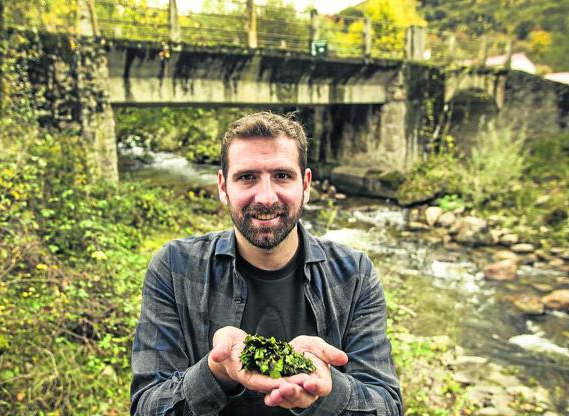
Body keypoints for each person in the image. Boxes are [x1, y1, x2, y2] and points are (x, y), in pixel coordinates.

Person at [130, 112, 402, 416]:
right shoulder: (174, 267)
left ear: (306, 185)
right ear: (223, 187)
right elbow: (147, 406)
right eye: (247, 177)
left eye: (282, 176)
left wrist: (327, 391)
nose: (266, 196)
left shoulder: (355, 275)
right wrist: (217, 371)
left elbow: (387, 405)